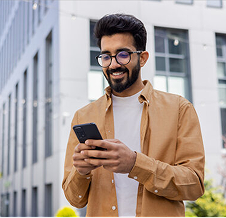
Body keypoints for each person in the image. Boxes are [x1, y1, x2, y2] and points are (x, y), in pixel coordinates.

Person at [62, 13, 205, 217]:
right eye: (106, 56)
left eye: (123, 54)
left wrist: (135, 164)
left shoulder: (179, 109)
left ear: (143, 58)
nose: (113, 64)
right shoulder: (83, 116)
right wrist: (81, 172)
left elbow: (194, 185)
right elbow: (74, 198)